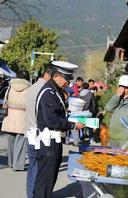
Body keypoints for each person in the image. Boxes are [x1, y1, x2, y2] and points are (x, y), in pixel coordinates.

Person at [33, 61, 84, 197]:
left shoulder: (55, 91)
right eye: (66, 79)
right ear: (55, 76)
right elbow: (52, 120)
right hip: (48, 141)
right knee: (45, 180)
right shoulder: (48, 92)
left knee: (50, 178)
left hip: (53, 140)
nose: (67, 82)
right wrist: (72, 125)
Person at [25, 66, 52, 198]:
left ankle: (30, 194)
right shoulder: (44, 91)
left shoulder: (31, 88)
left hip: (29, 131)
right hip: (39, 134)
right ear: (47, 75)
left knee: (32, 167)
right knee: (38, 168)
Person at [1, 70, 30, 171]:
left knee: (11, 142)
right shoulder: (29, 89)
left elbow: (5, 101)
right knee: (20, 143)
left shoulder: (10, 87)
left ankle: (11, 162)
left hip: (11, 116)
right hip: (23, 117)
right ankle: (18, 165)